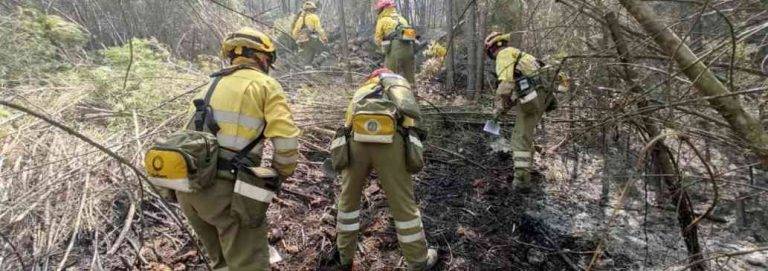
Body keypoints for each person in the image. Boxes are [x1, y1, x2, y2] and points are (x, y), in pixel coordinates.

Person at [177, 27, 300, 271]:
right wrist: (278, 174)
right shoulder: (265, 85)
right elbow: (286, 143)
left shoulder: (210, 84)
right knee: (249, 266)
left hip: (188, 189)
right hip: (227, 192)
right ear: (262, 57)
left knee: (222, 263)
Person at [333, 68, 438, 270]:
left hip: (357, 142)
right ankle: (417, 261)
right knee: (403, 204)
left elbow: (347, 123)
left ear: (371, 77)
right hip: (392, 142)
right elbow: (411, 123)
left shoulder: (361, 91)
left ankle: (344, 257)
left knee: (348, 202)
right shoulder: (400, 90)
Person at [484, 32, 564, 192]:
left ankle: (521, 182)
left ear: (491, 49)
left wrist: (497, 111)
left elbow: (505, 86)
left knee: (520, 139)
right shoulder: (519, 55)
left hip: (532, 96)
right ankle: (526, 170)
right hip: (543, 95)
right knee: (525, 135)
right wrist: (503, 109)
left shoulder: (504, 54)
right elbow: (516, 89)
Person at [374, 0, 417, 85]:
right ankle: (412, 93)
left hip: (394, 50)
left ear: (382, 8)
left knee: (389, 76)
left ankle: (392, 95)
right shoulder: (402, 19)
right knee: (409, 77)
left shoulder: (382, 20)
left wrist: (382, 47)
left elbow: (378, 39)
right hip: (409, 49)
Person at [292, 1, 327, 67]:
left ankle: (309, 73)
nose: (314, 11)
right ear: (312, 9)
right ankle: (316, 63)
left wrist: (298, 40)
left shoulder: (300, 18)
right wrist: (324, 38)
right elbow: (319, 29)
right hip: (312, 39)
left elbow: (295, 32)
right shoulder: (314, 17)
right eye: (313, 9)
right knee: (326, 51)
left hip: (302, 41)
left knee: (308, 60)